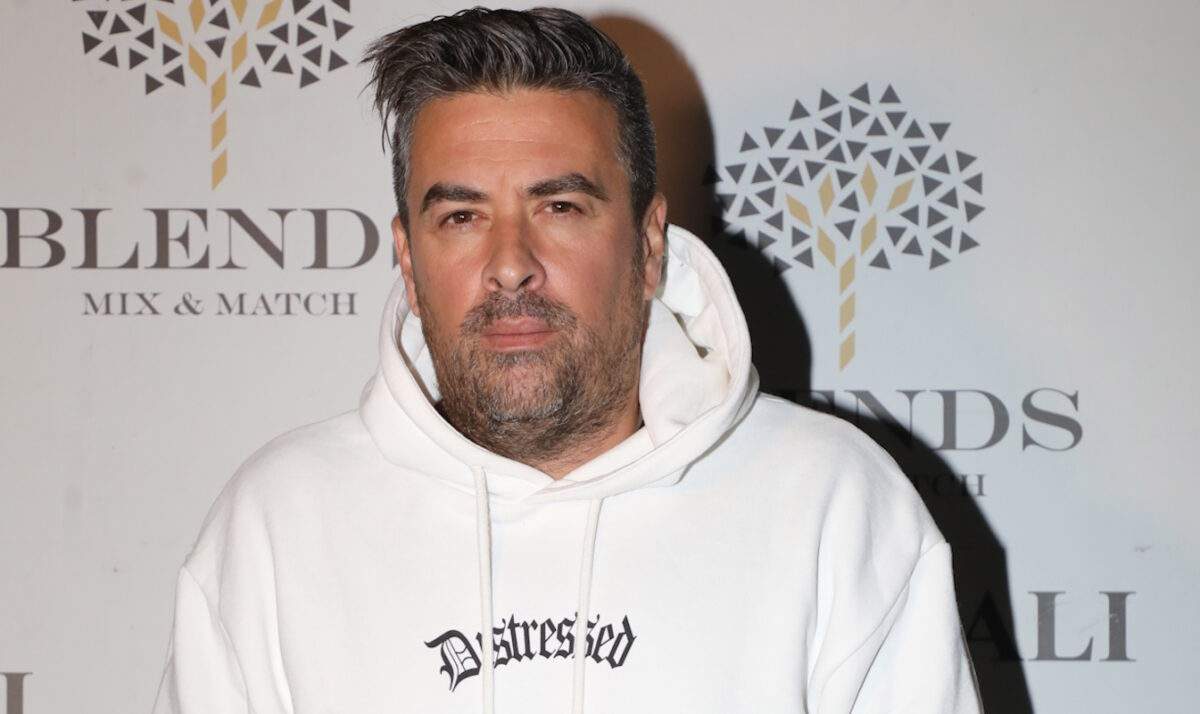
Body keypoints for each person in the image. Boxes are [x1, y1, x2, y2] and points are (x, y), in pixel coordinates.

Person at [152, 6, 983, 713]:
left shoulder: (832, 504)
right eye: (462, 218)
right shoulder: (278, 526)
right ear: (407, 259)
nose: (510, 265)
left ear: (649, 245)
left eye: (559, 206)